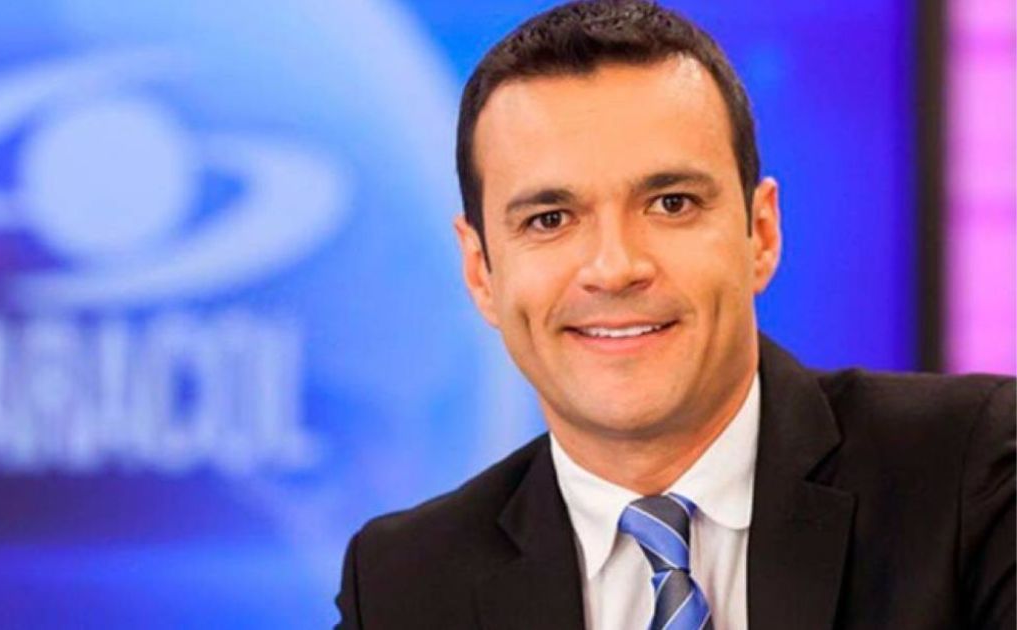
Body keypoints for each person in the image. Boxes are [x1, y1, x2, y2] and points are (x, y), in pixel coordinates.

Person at [334, 1, 1016, 628]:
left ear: (761, 232)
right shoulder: (403, 585)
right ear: (481, 270)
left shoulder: (972, 473)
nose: (615, 267)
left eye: (671, 204)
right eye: (550, 219)